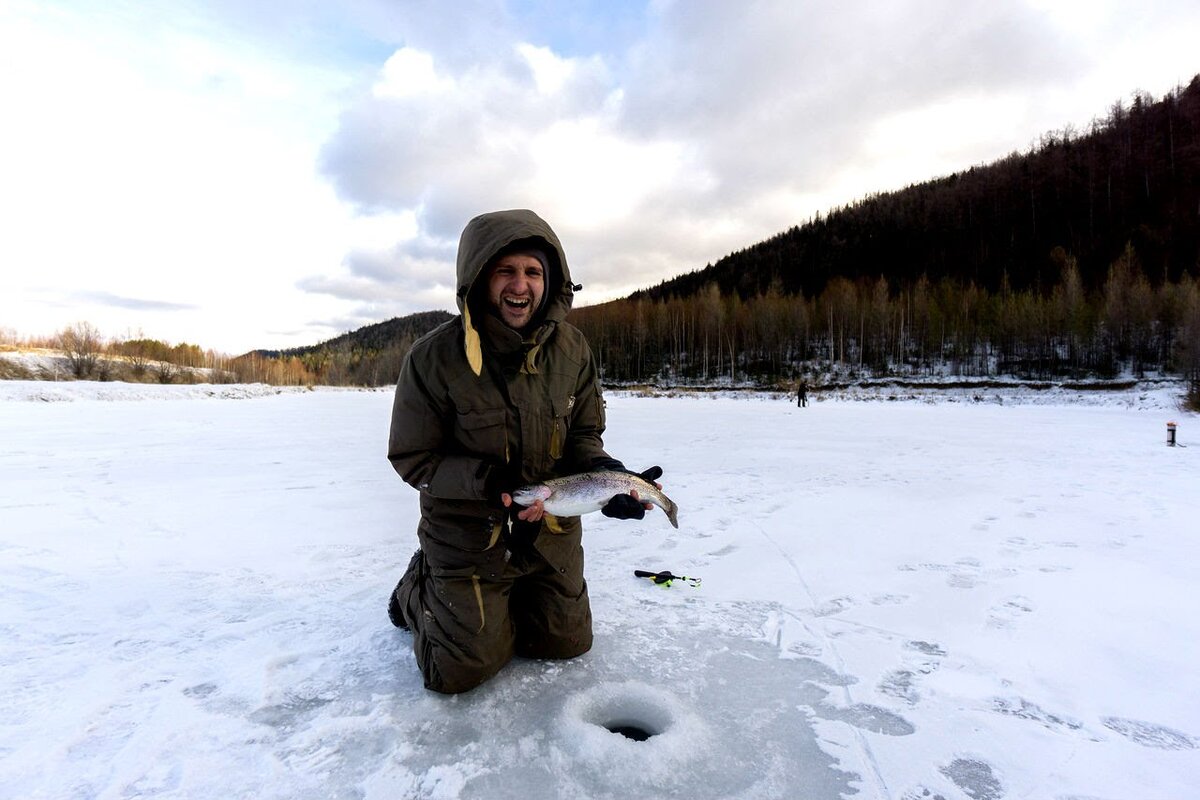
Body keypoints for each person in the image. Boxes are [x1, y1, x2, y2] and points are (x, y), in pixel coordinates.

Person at [385, 208, 662, 694]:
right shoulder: (432, 358)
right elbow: (414, 457)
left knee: (564, 643)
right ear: (478, 277)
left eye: (533, 272)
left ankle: (501, 606)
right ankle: (416, 588)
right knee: (459, 673)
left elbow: (582, 436)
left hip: (549, 538)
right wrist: (486, 484)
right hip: (471, 539)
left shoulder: (573, 349)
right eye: (505, 270)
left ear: (550, 280)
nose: (520, 285)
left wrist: (605, 474)